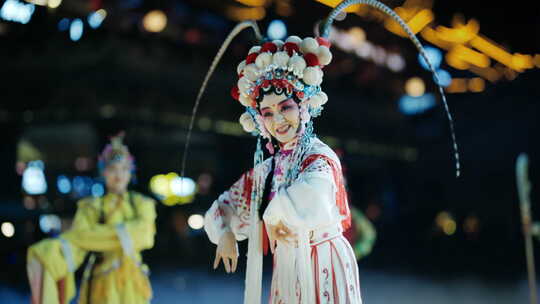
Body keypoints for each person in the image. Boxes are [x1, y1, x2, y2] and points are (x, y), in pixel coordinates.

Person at [27, 132, 156, 304]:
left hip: (132, 283)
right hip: (101, 283)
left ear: (130, 173)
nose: (118, 175)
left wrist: (91, 236)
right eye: (112, 169)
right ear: (103, 173)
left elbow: (145, 236)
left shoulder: (142, 203)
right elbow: (80, 237)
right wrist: (54, 252)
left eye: (124, 169)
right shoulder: (91, 206)